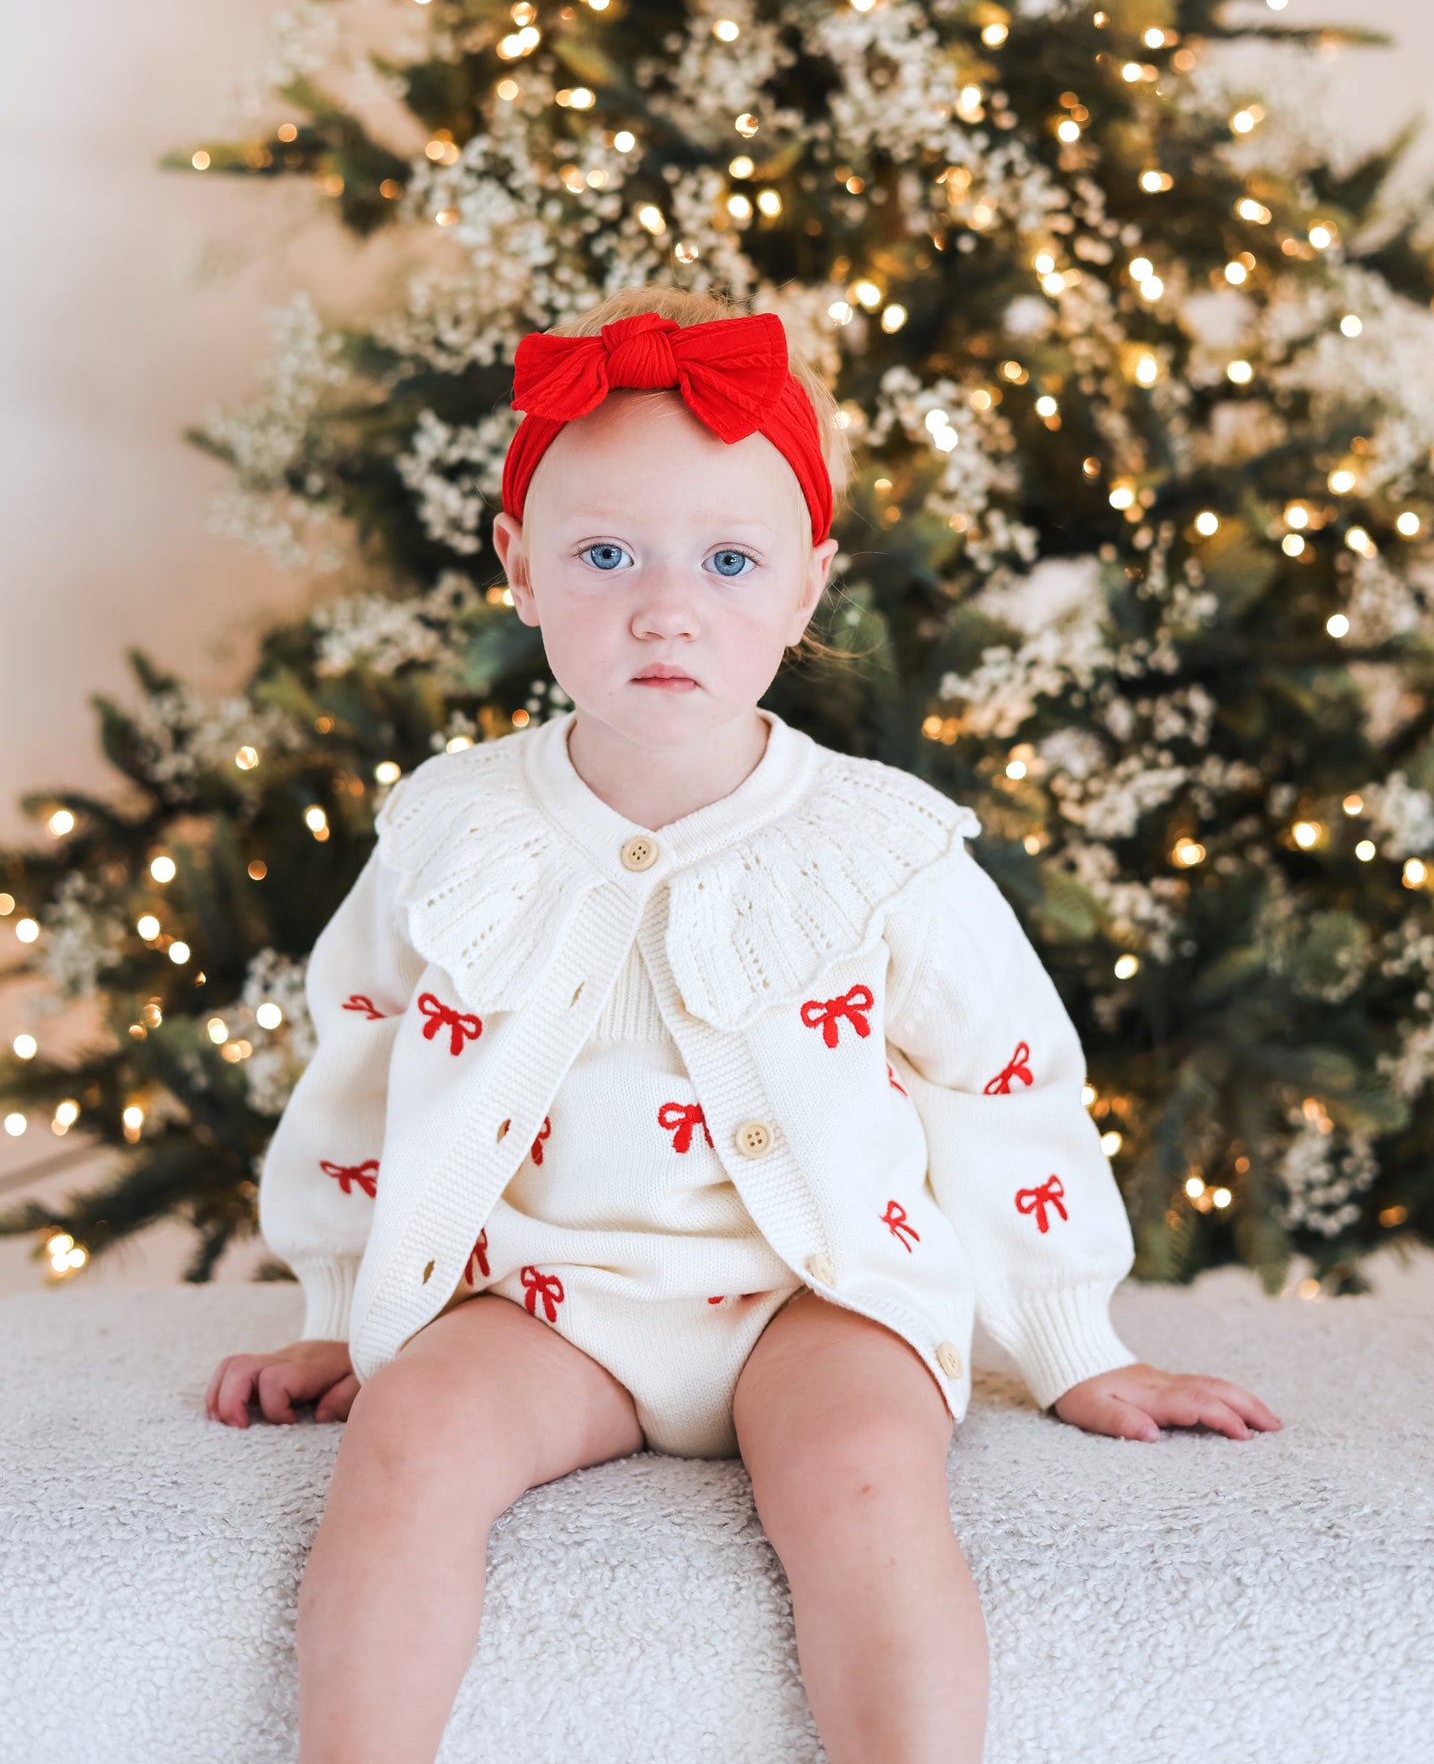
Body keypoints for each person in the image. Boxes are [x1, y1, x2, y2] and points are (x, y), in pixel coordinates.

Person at [205, 289, 1281, 1764]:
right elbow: (359, 1055)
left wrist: (1070, 1338)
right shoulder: (453, 830)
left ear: (805, 586)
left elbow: (1006, 1085)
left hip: (815, 1296)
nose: (666, 608)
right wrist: (339, 1305)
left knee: (864, 1484)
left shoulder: (880, 847)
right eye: (603, 556)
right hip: (544, 1301)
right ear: (516, 567)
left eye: (727, 560)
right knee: (407, 1445)